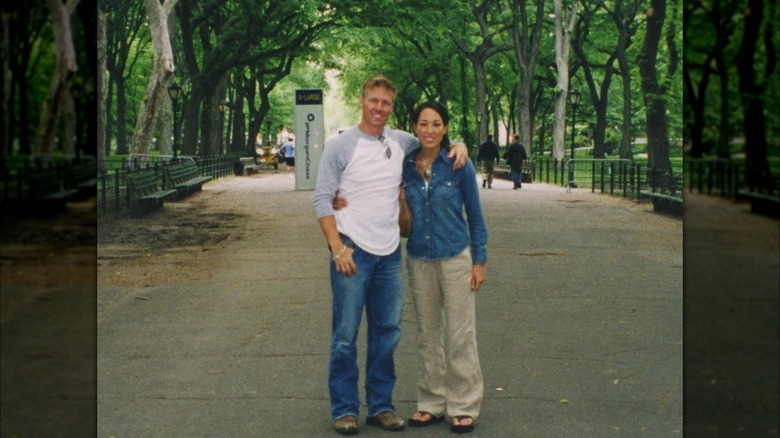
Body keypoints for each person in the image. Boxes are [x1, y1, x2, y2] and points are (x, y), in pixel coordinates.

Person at [313, 75, 468, 436]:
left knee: (387, 332)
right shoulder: (340, 147)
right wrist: (337, 248)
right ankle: (345, 409)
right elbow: (322, 198)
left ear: (391, 107)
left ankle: (381, 405)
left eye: (385, 103)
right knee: (345, 335)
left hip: (388, 254)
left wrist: (459, 146)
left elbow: (435, 144)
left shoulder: (401, 142)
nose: (379, 108)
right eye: (373, 101)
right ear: (361, 101)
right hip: (351, 252)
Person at [403, 101, 487, 434]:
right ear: (414, 127)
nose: (429, 130)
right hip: (419, 258)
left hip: (455, 257)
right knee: (427, 334)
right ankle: (432, 401)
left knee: (460, 334)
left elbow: (476, 216)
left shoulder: (458, 164)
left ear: (445, 128)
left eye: (436, 124)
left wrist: (479, 260)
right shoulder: (405, 164)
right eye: (423, 124)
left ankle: (464, 405)